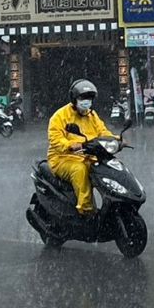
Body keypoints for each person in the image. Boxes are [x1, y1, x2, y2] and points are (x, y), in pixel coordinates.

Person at [48, 79, 113, 217]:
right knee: (80, 170)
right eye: (83, 98)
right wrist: (71, 146)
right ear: (74, 99)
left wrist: (117, 140)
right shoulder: (60, 116)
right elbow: (56, 140)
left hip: (87, 155)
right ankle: (86, 210)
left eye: (89, 98)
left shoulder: (91, 115)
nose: (86, 102)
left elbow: (103, 132)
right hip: (63, 158)